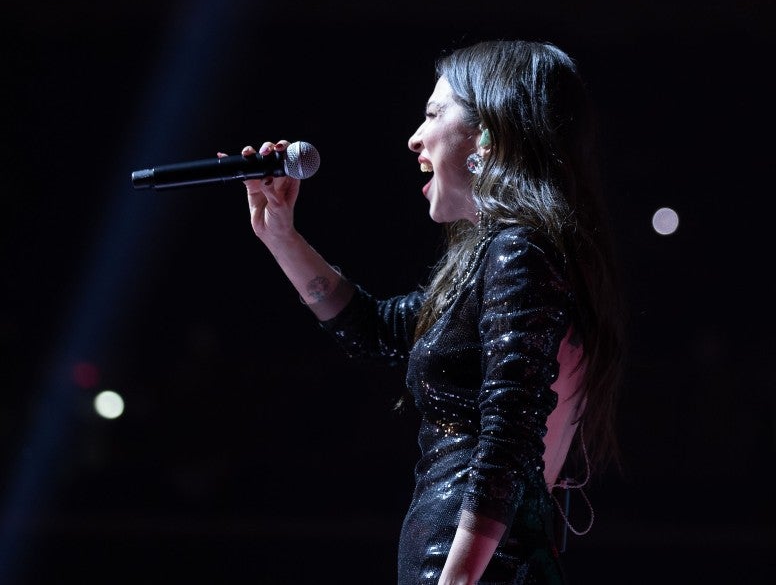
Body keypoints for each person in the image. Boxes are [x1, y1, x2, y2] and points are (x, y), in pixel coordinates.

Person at [226, 39, 626, 584]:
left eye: (434, 113)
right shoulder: (511, 255)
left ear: (490, 130)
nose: (415, 137)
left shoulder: (520, 253)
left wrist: (456, 579)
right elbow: (379, 330)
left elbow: (508, 435)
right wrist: (279, 235)